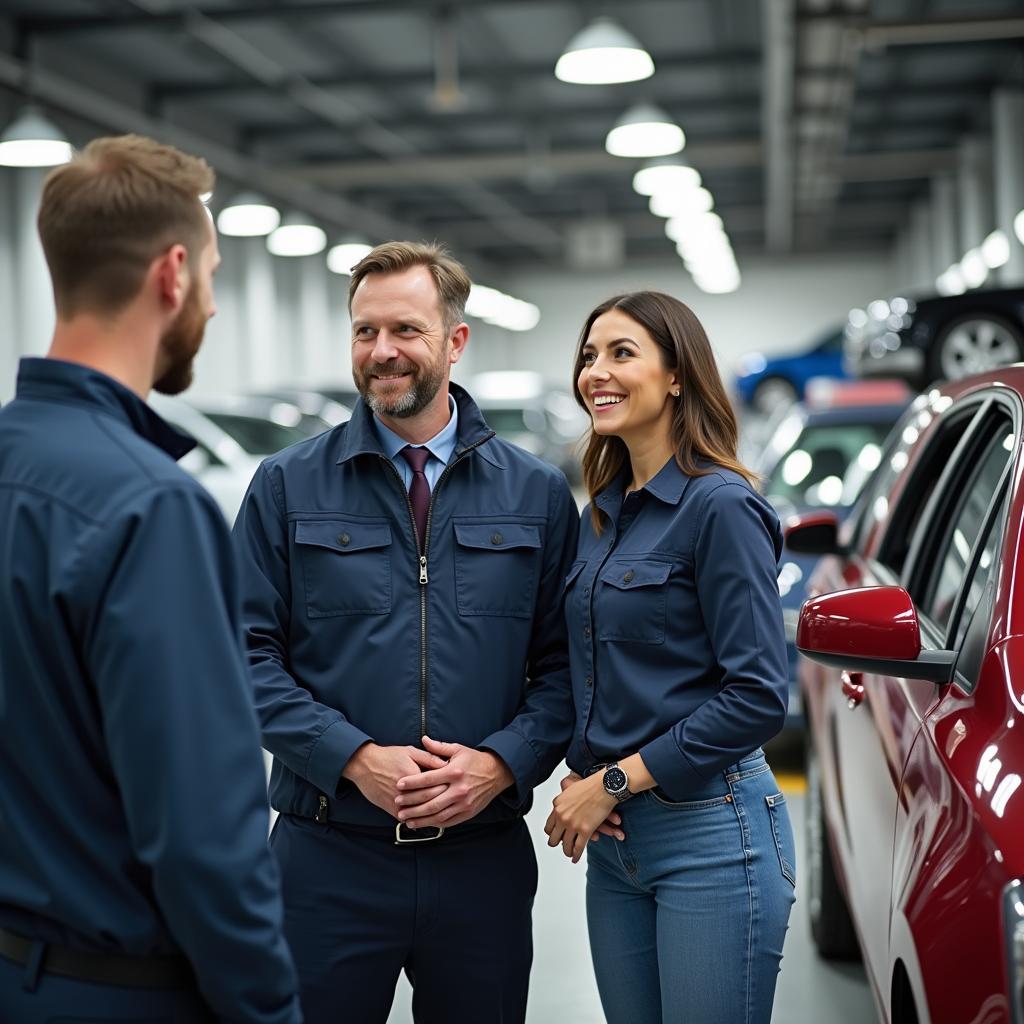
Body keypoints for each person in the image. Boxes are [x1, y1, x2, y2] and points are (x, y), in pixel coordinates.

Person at [232, 240, 579, 1024]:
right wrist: (352, 759)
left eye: (405, 331)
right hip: (326, 859)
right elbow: (243, 656)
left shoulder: (537, 495)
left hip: (481, 862)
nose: (381, 352)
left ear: (455, 342)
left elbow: (565, 669)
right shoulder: (287, 486)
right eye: (364, 331)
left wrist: (500, 763)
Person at [0, 135, 301, 1023]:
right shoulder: (151, 508)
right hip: (119, 993)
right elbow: (204, 836)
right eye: (210, 272)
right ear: (173, 274)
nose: (207, 299)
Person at [544, 291, 796, 1024]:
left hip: (712, 835)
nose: (597, 372)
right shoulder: (603, 513)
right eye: (589, 356)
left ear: (678, 375)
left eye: (622, 353)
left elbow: (756, 696)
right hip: (618, 845)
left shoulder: (721, 506)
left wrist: (616, 781)